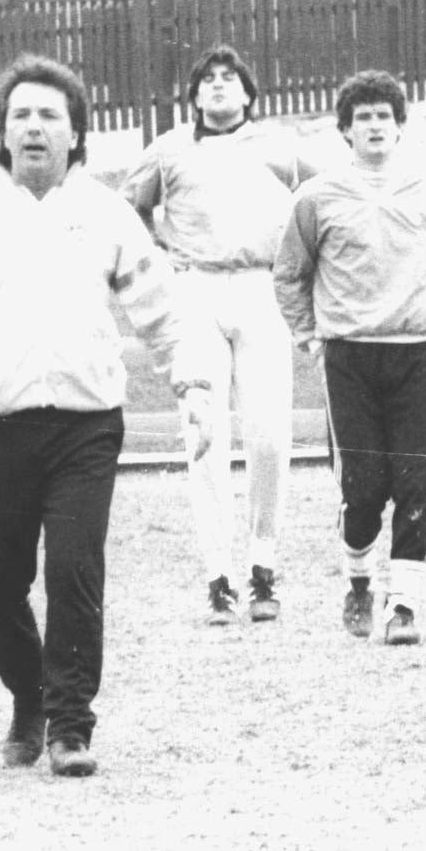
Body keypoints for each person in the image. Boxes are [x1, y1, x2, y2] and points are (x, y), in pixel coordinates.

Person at [0, 53, 214, 778]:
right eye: (20, 116)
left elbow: (163, 315)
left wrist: (192, 385)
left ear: (76, 133)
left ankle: (71, 722)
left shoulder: (107, 214)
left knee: (73, 569)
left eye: (49, 117)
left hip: (85, 424)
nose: (33, 129)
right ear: (1, 132)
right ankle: (28, 696)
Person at [121, 45, 317, 628]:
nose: (218, 87)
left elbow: (325, 202)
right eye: (207, 80)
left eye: (230, 79)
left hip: (263, 292)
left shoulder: (282, 148)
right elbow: (128, 209)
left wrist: (302, 264)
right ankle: (218, 576)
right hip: (196, 294)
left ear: (249, 93)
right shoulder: (169, 150)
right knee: (204, 435)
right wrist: (157, 258)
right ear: (194, 94)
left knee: (268, 435)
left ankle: (263, 562)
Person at [273, 70, 426, 646]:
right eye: (364, 118)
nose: (375, 126)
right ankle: (358, 579)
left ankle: (402, 603)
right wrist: (309, 335)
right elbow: (289, 274)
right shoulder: (315, 198)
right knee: (362, 487)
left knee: (416, 480)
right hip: (348, 357)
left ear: (401, 126)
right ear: (346, 131)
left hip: (416, 354)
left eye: (385, 116)